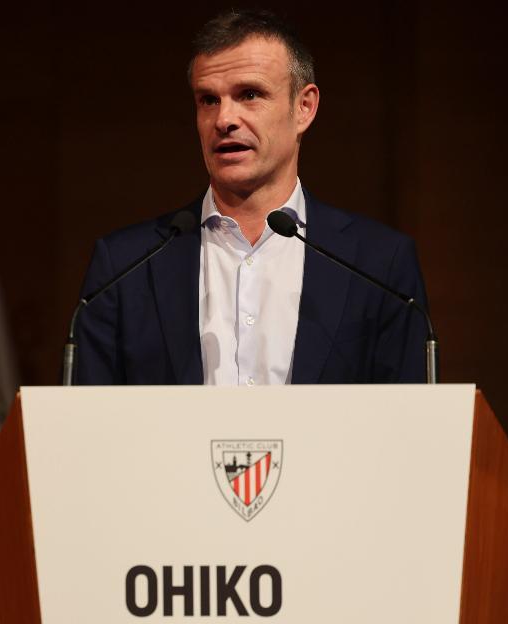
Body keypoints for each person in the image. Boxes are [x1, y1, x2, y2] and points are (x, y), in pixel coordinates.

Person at [74, 9, 429, 386]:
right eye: (208, 100)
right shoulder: (123, 268)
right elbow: (88, 428)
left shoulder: (380, 265)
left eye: (249, 94)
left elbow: (407, 427)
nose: (224, 119)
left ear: (303, 108)